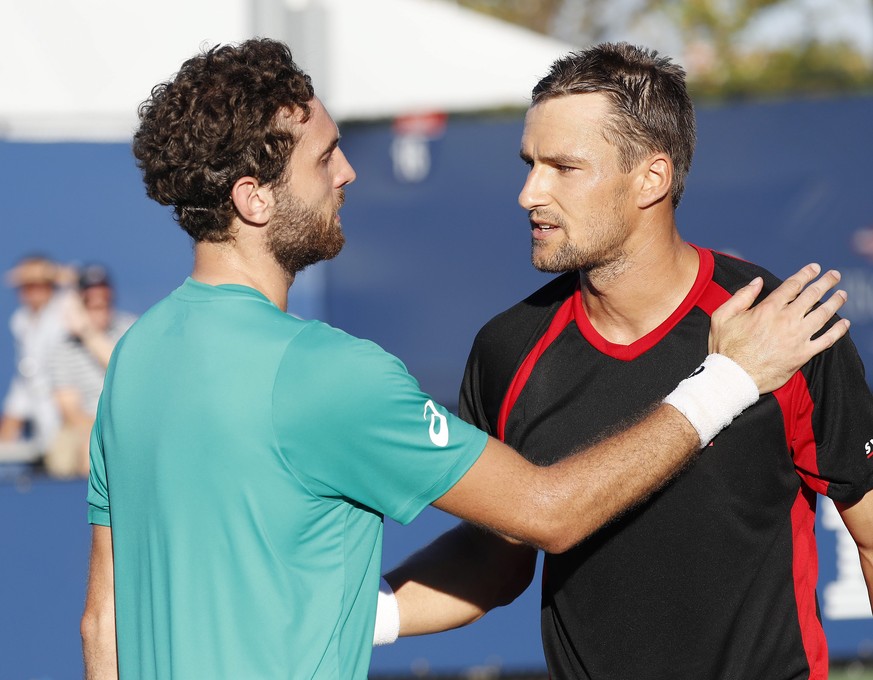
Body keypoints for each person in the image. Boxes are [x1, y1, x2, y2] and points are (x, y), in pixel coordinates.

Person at [79, 38, 849, 680]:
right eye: (325, 158)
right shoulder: (344, 372)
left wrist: (360, 617)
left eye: (561, 166)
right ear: (254, 198)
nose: (347, 173)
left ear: (653, 175)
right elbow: (543, 516)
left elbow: (101, 623)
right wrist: (730, 380)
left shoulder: (137, 355)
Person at [380, 43, 873, 680]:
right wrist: (361, 615)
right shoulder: (508, 350)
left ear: (651, 179)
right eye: (530, 163)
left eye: (564, 167)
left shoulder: (781, 328)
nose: (530, 192)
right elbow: (493, 560)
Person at [44, 264, 136, 478]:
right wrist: (100, 435)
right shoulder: (62, 348)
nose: (99, 304)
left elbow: (128, 374)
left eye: (104, 298)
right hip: (86, 428)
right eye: (90, 299)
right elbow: (70, 412)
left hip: (129, 421)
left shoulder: (131, 329)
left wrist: (88, 334)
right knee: (87, 449)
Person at [0, 255, 75, 455]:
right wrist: (8, 428)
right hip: (45, 427)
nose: (32, 291)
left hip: (75, 420)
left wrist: (47, 272)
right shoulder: (20, 321)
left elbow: (79, 281)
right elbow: (25, 380)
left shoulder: (67, 309)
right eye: (26, 285)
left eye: (40, 284)